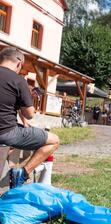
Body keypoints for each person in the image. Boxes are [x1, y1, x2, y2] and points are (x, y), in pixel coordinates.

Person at [0, 46, 59, 189]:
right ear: (19, 63)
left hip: (6, 133)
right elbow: (29, 114)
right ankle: (22, 173)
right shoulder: (18, 80)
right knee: (54, 140)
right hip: (6, 133)